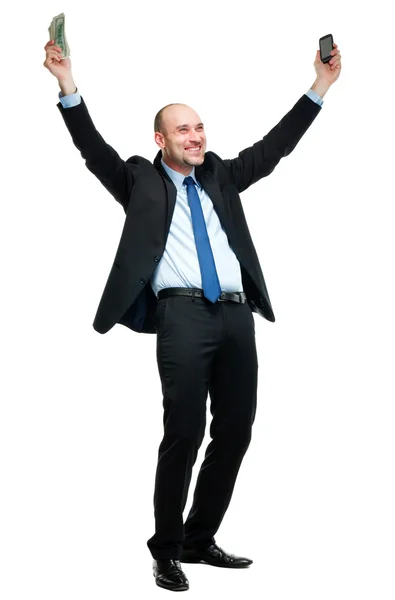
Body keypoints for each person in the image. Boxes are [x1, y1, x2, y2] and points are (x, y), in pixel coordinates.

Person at [43, 37, 342, 592]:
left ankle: (199, 538)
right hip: (181, 316)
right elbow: (93, 150)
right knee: (182, 430)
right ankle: (165, 548)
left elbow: (274, 148)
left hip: (236, 317)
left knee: (235, 430)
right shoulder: (139, 180)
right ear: (161, 140)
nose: (197, 136)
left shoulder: (222, 177)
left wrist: (320, 87)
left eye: (200, 127)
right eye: (184, 129)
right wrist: (67, 86)